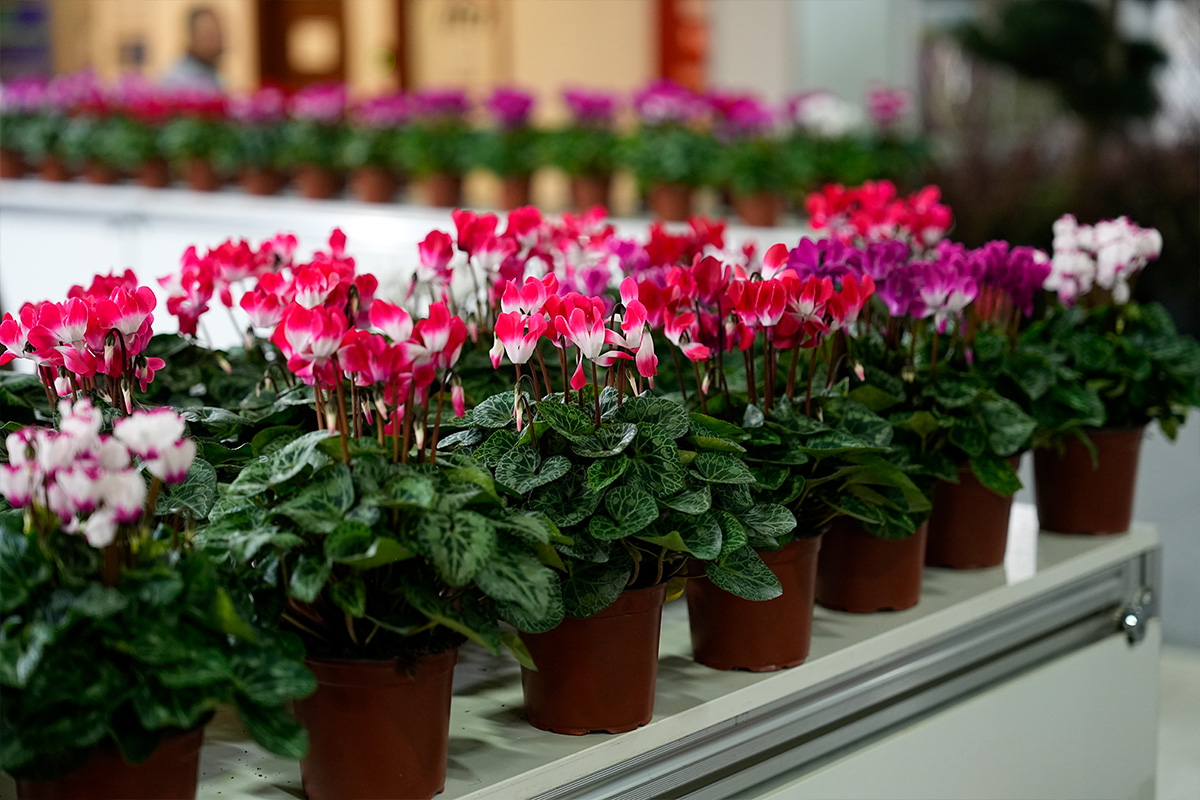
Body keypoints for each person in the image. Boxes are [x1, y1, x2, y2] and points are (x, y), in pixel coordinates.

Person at [162, 6, 224, 89]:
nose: (216, 43)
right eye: (209, 35)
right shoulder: (177, 82)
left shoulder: (219, 78)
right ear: (191, 38)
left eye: (218, 35)